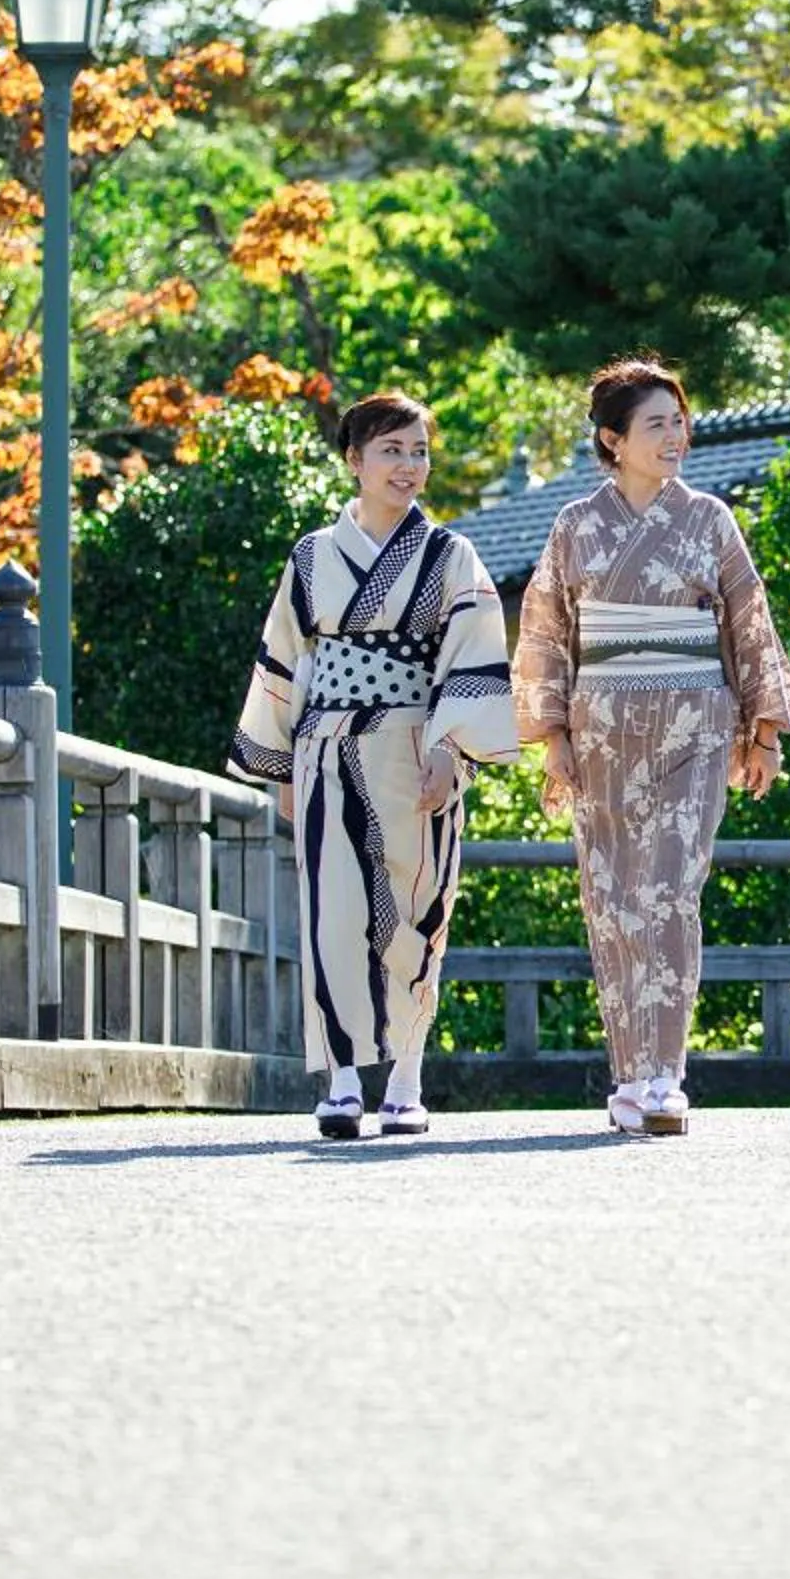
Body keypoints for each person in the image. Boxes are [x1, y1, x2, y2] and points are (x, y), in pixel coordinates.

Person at [513, 358, 790, 1136]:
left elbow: (749, 619)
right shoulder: (576, 525)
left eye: (679, 421)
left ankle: (667, 1076)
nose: (676, 436)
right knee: (612, 898)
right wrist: (551, 738)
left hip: (695, 721)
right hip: (602, 722)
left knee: (672, 890)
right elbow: (545, 632)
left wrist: (764, 729)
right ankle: (627, 1075)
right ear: (613, 439)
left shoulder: (710, 518)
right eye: (657, 424)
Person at [229, 391, 521, 1138]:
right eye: (392, 450)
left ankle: (408, 1076)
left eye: (419, 451)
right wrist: (284, 770)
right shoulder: (311, 557)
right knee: (333, 913)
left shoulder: (452, 557)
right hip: (327, 748)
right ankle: (343, 1081)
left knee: (418, 911)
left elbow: (475, 658)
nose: (409, 465)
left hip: (415, 744)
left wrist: (450, 751)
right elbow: (283, 662)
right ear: (354, 460)